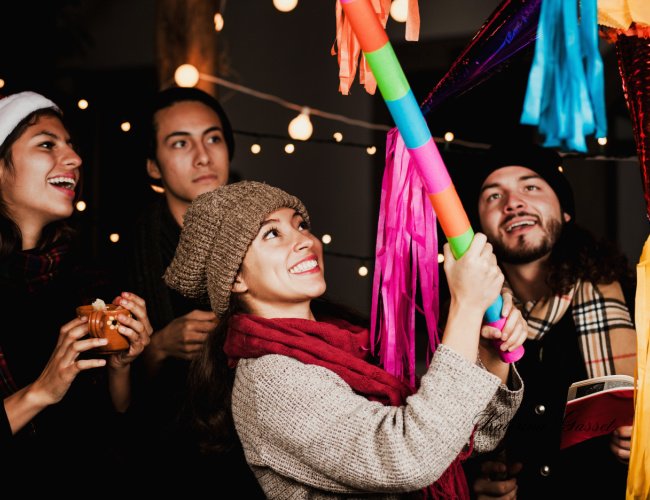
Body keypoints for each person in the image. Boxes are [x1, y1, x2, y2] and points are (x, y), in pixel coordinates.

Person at [163, 180, 527, 498]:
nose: (305, 240)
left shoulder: (351, 344)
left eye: (300, 225)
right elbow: (409, 458)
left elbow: (466, 438)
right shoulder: (270, 379)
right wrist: (465, 306)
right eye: (272, 233)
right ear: (234, 280)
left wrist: (487, 348)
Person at [463, 143, 637, 499]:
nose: (512, 202)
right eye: (493, 196)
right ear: (478, 227)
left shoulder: (635, 301)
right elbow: (448, 434)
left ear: (565, 211)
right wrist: (474, 482)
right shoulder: (464, 322)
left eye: (531, 187)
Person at [0, 91, 152, 487]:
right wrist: (40, 392)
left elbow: (116, 423)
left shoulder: (88, 280)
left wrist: (120, 367)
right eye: (47, 144)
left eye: (71, 146)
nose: (75, 159)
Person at [123, 86, 263, 495]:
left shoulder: (266, 229)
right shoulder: (134, 250)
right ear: (153, 166)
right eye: (180, 143)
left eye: (213, 138)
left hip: (261, 450)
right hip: (169, 464)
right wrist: (159, 347)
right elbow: (109, 399)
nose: (203, 156)